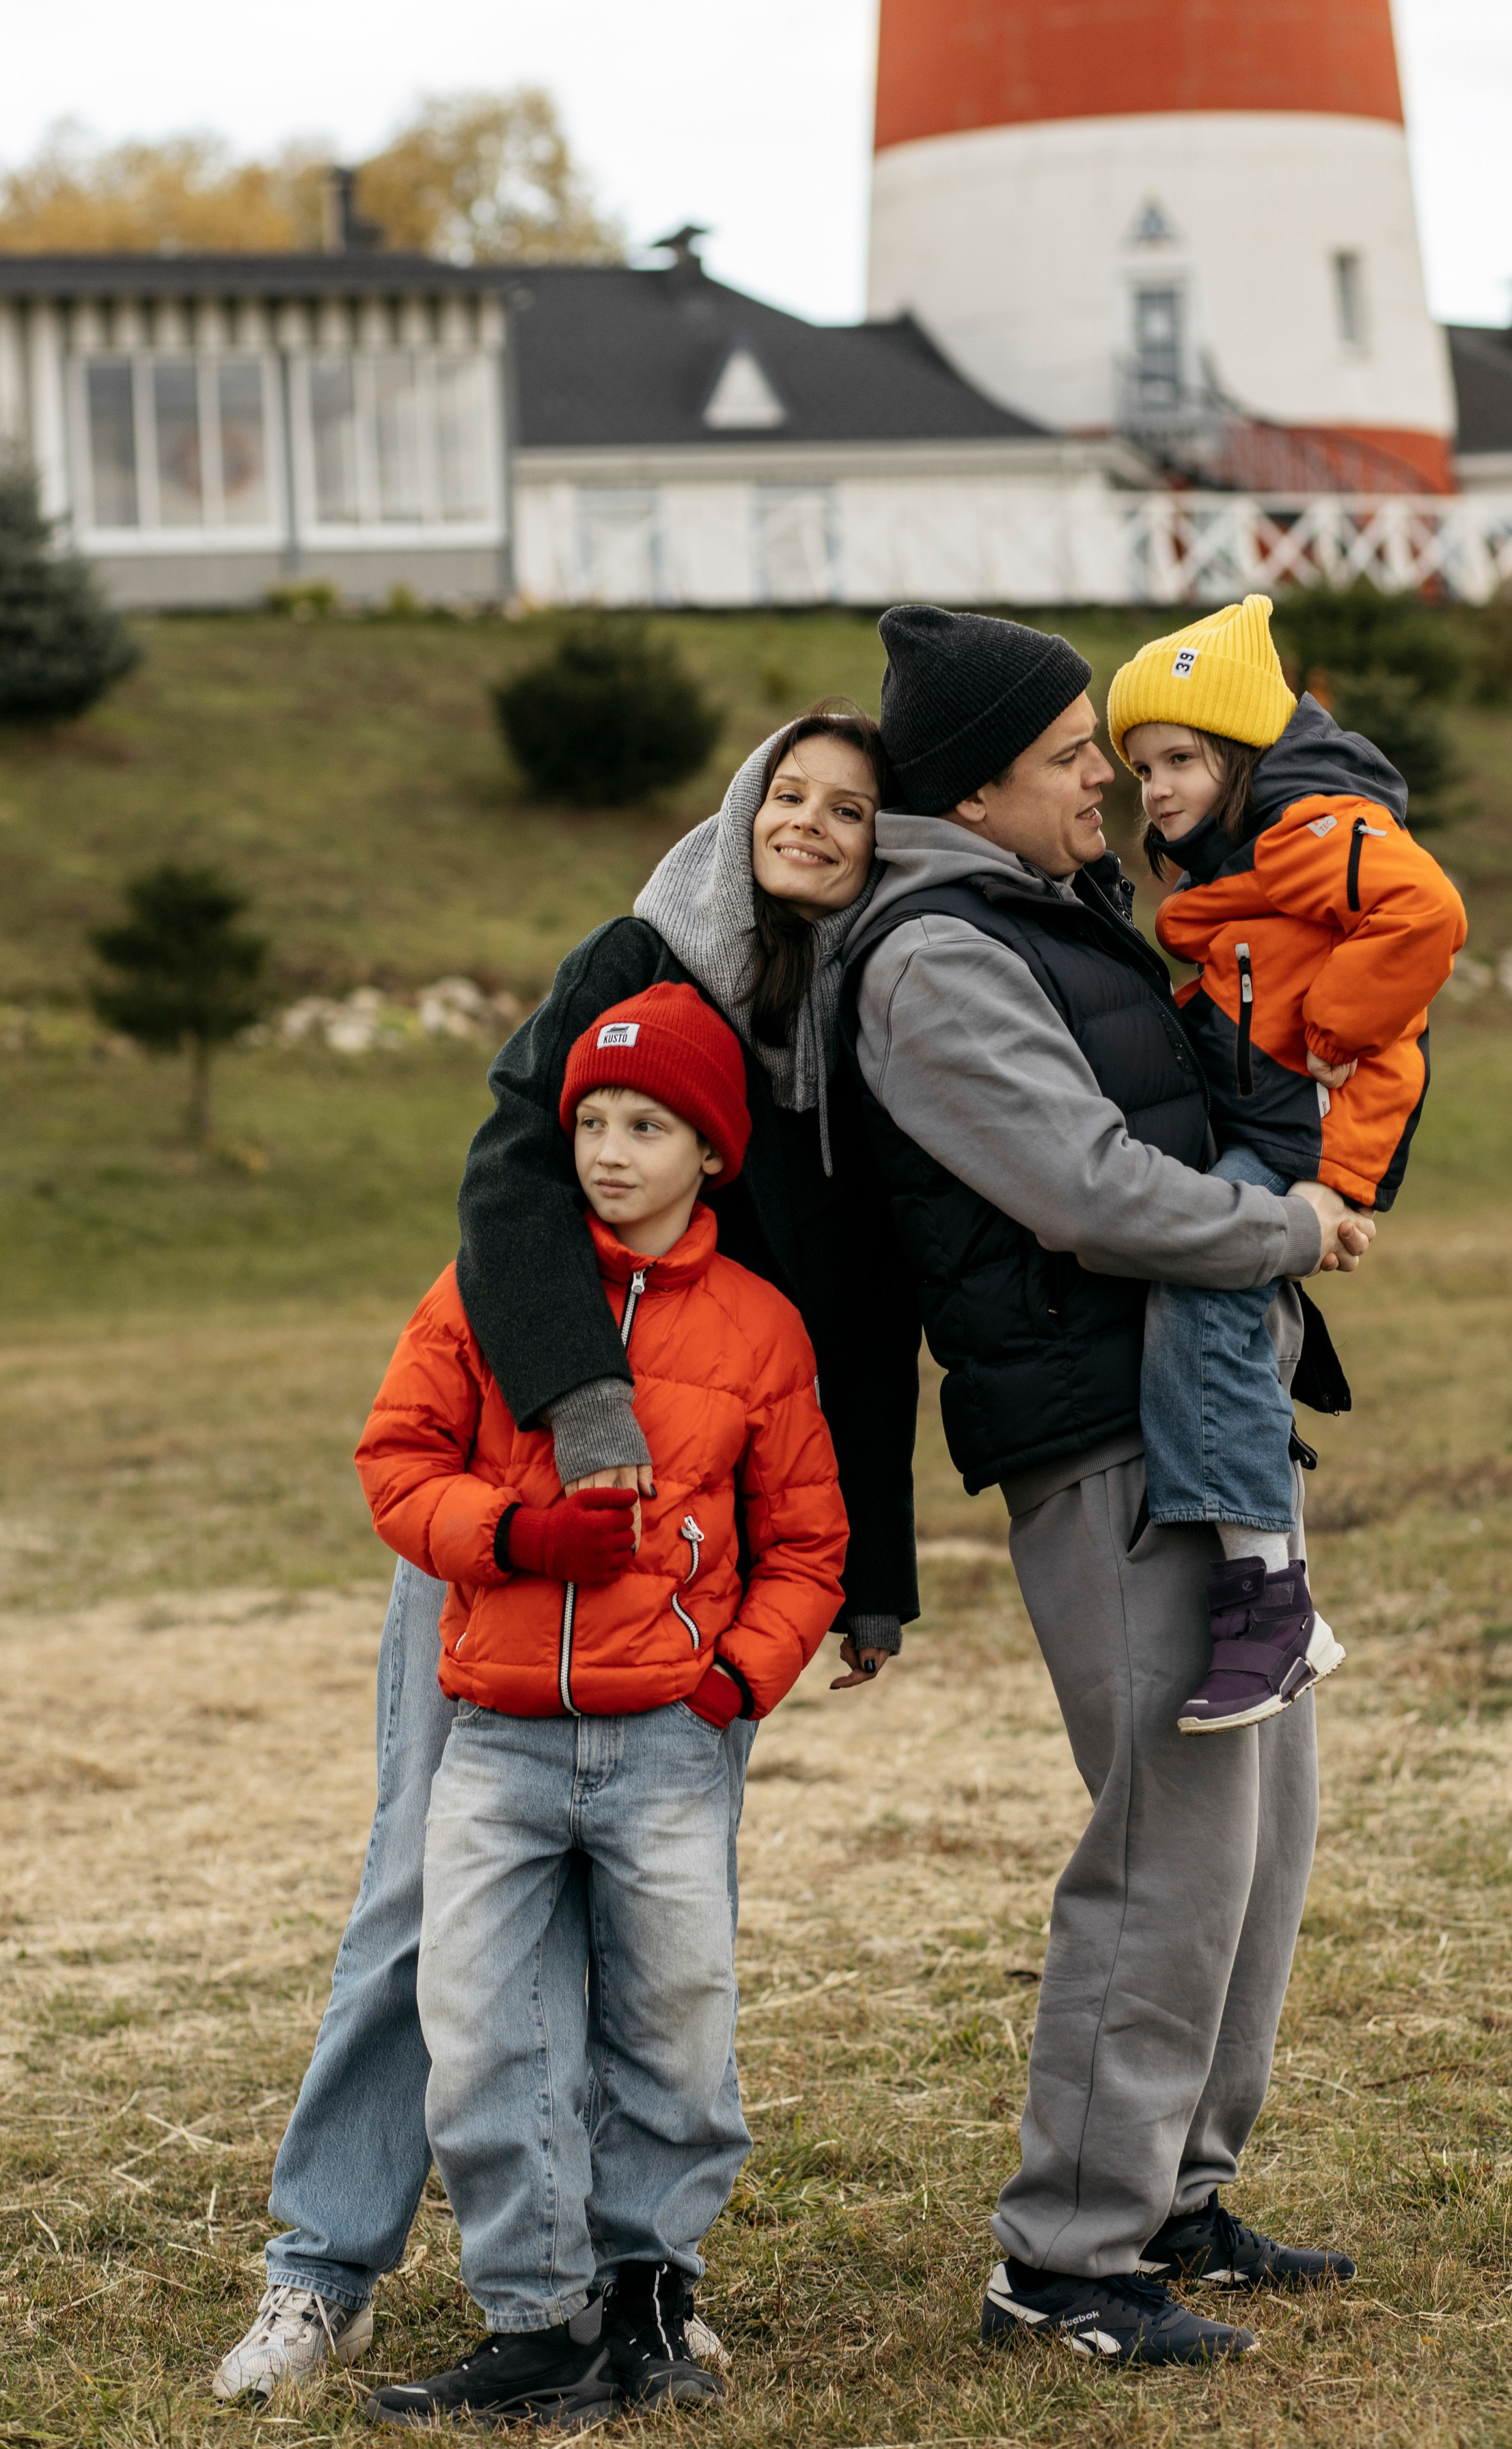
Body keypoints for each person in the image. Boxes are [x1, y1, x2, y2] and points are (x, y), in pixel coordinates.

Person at [215, 709, 920, 2405]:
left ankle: (630, 2288)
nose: (813, 826)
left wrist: (859, 1570)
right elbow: (509, 1196)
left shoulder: (874, 1012)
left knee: (655, 1934)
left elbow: (854, 1313)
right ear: (744, 802)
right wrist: (572, 1448)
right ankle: (326, 2267)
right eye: (791, 794)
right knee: (420, 1899)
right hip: (519, 1538)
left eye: (851, 811)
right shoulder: (635, 957)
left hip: (698, 1581)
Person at [841, 605, 1373, 2372]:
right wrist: (1284, 1228)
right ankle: (1062, 2258)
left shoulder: (1053, 917)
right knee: (1165, 1842)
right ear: (977, 786)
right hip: (1102, 1431)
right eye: (1075, 754)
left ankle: (1172, 2198)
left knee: (1257, 1834)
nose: (1108, 780)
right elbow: (1081, 1190)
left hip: (1197, 1414)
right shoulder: (933, 958)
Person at [352, 985, 847, 2428]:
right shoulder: (486, 1292)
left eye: (647, 1125)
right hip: (495, 1741)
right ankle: (536, 2317)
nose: (610, 1151)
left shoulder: (757, 1329)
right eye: (587, 1123)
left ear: (711, 1153)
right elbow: (394, 1464)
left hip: (664, 1747)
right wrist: (512, 1540)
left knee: (677, 2024)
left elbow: (807, 1542)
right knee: (478, 2028)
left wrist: (731, 1679)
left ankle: (650, 2289)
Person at [1106, 594, 1467, 1734]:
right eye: (1138, 766)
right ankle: (1255, 1571)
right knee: (1204, 1282)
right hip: (1272, 1128)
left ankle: (1271, 1600)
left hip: (1310, 1129)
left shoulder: (1310, 828)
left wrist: (1329, 1033)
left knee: (1205, 1277)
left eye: (1177, 759)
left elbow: (1428, 913)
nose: (1153, 788)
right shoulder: (1234, 858)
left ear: (1243, 750)